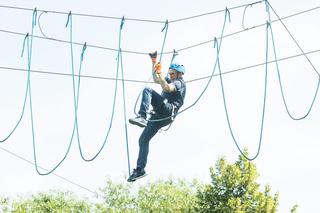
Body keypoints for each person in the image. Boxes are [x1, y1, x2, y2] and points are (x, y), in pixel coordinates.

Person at [127, 51, 186, 182]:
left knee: (147, 90)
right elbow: (156, 79)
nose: (170, 75)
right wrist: (154, 62)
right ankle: (140, 170)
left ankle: (142, 116)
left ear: (179, 74)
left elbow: (166, 88)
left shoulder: (179, 83)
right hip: (159, 115)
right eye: (169, 74)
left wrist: (161, 75)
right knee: (143, 140)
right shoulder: (172, 79)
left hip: (167, 111)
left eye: (172, 74)